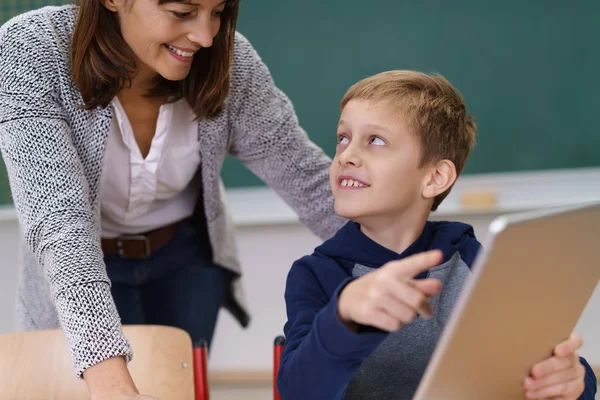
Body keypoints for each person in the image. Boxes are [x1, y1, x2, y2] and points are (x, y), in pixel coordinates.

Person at [0, 0, 344, 398]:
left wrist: (414, 269)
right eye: (182, 12)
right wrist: (111, 384)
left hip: (185, 260)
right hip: (80, 271)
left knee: (175, 388)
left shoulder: (230, 61)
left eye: (217, 12)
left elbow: (308, 181)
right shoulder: (32, 49)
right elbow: (60, 222)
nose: (205, 36)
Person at [276, 70, 597, 400]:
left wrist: (573, 381)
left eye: (375, 140)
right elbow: (297, 391)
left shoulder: (470, 258)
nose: (346, 155)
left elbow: (542, 357)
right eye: (343, 138)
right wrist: (343, 316)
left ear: (436, 177)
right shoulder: (315, 275)